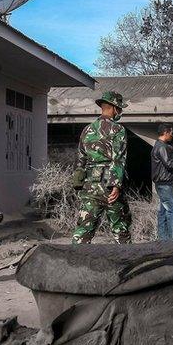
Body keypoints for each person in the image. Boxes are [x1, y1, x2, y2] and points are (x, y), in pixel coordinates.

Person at [72, 91, 131, 244]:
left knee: (83, 230)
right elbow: (118, 158)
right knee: (120, 230)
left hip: (90, 185)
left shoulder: (87, 130)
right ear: (114, 108)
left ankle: (72, 263)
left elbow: (81, 159)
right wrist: (116, 185)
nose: (120, 112)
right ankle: (128, 264)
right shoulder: (118, 130)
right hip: (109, 185)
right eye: (120, 109)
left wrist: (80, 183)